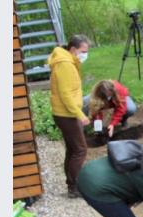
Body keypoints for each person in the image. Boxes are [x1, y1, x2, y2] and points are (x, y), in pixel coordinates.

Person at [48, 34, 91, 198]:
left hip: (66, 112)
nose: (85, 54)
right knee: (80, 150)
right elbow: (66, 94)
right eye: (83, 51)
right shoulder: (64, 64)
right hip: (67, 114)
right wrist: (80, 115)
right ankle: (75, 187)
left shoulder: (67, 60)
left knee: (73, 150)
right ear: (73, 49)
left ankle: (72, 185)